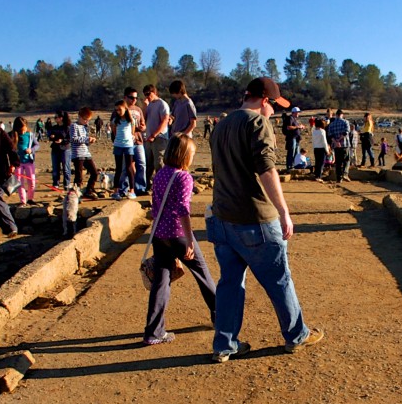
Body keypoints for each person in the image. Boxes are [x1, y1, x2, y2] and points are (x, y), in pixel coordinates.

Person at [206, 77, 324, 362]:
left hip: (222, 218)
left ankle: (225, 344)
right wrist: (284, 211)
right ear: (264, 100)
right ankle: (296, 335)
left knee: (230, 283)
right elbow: (266, 169)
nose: (274, 113)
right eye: (274, 106)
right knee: (279, 279)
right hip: (255, 218)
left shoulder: (220, 126)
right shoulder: (257, 123)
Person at [143, 134, 217, 345]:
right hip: (178, 234)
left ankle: (154, 332)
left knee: (161, 282)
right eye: (192, 153)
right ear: (184, 154)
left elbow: (154, 208)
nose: (193, 157)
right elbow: (184, 210)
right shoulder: (184, 177)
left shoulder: (160, 175)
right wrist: (190, 240)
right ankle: (220, 317)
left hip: (160, 235)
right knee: (203, 274)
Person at [110, 100, 138, 200]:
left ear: (125, 108)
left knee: (129, 167)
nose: (118, 111)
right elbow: (114, 132)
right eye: (116, 110)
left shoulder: (131, 120)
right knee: (118, 169)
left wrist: (130, 139)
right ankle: (116, 191)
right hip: (118, 145)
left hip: (128, 145)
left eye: (120, 109)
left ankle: (132, 190)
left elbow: (132, 132)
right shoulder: (115, 120)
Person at [69, 108, 99, 198]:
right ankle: (75, 194)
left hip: (86, 153)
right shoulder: (74, 126)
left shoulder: (85, 127)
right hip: (77, 154)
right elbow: (74, 138)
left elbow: (85, 142)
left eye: (88, 120)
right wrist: (86, 139)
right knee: (79, 176)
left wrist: (89, 141)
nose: (86, 122)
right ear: (80, 117)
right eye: (85, 119)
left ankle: (89, 189)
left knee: (94, 173)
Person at [143, 84, 170, 183]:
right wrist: (145, 107)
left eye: (148, 94)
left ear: (154, 92)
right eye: (145, 94)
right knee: (148, 163)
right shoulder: (149, 105)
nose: (147, 96)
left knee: (159, 163)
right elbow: (143, 119)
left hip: (159, 138)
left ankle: (162, 184)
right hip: (149, 137)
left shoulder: (162, 104)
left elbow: (164, 121)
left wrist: (154, 135)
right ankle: (147, 184)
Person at [10, 117, 35, 204]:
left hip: (29, 161)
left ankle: (30, 199)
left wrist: (31, 150)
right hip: (17, 163)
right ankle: (23, 201)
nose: (23, 132)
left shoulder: (30, 135)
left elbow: (37, 145)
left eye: (25, 129)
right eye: (21, 130)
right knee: (20, 183)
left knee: (32, 181)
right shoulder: (12, 135)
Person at [326, 110, 352, 182]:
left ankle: (338, 178)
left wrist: (335, 141)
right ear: (342, 115)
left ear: (336, 115)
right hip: (344, 144)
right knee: (347, 160)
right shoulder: (345, 122)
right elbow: (346, 132)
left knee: (338, 162)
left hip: (336, 146)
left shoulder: (332, 124)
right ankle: (345, 174)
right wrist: (339, 140)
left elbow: (330, 135)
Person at [49, 111, 71, 189]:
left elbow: (70, 138)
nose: (55, 119)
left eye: (56, 117)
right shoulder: (54, 127)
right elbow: (50, 135)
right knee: (55, 167)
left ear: (61, 118)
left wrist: (62, 141)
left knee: (66, 167)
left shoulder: (67, 127)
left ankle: (67, 183)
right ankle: (56, 183)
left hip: (65, 149)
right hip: (55, 148)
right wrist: (52, 137)